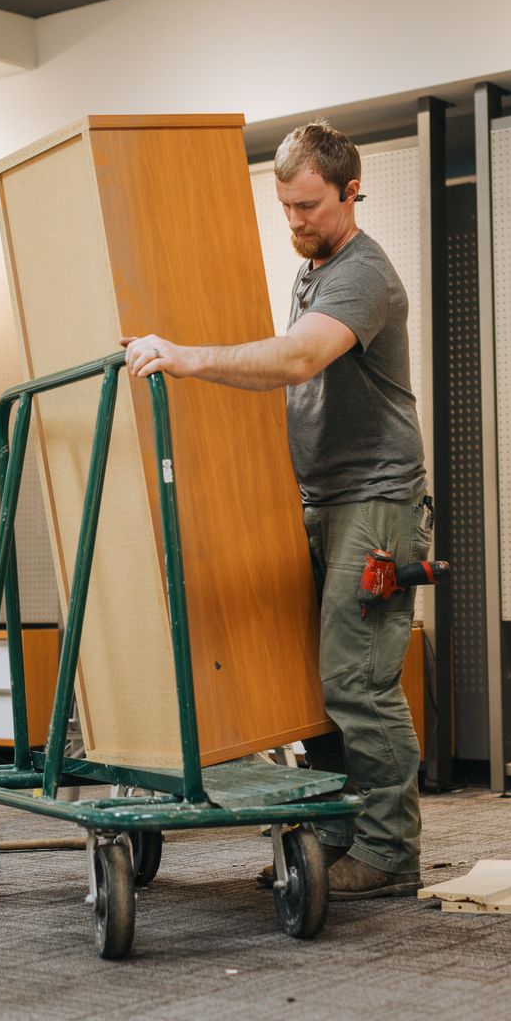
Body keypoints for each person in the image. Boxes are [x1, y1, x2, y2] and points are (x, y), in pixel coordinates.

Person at [122, 119, 429, 900]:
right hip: (322, 498)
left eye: (310, 208)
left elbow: (296, 359)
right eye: (285, 207)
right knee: (315, 683)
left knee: (357, 683)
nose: (295, 223)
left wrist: (188, 358)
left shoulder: (363, 273)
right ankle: (332, 837)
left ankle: (389, 854)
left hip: (377, 502)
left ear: (352, 192)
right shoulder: (311, 269)